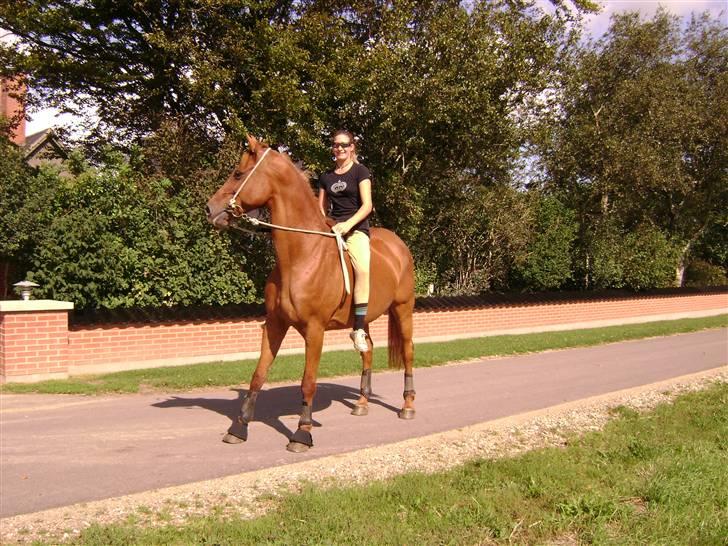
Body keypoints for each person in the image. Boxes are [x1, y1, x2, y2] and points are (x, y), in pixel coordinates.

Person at [317, 129, 373, 353]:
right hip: (333, 229)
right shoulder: (326, 177)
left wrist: (348, 225)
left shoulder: (361, 171)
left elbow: (367, 206)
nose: (339, 148)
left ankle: (358, 328)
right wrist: (326, 224)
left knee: (363, 269)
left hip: (356, 229)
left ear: (352, 147)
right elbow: (320, 208)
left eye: (344, 144)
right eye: (335, 144)